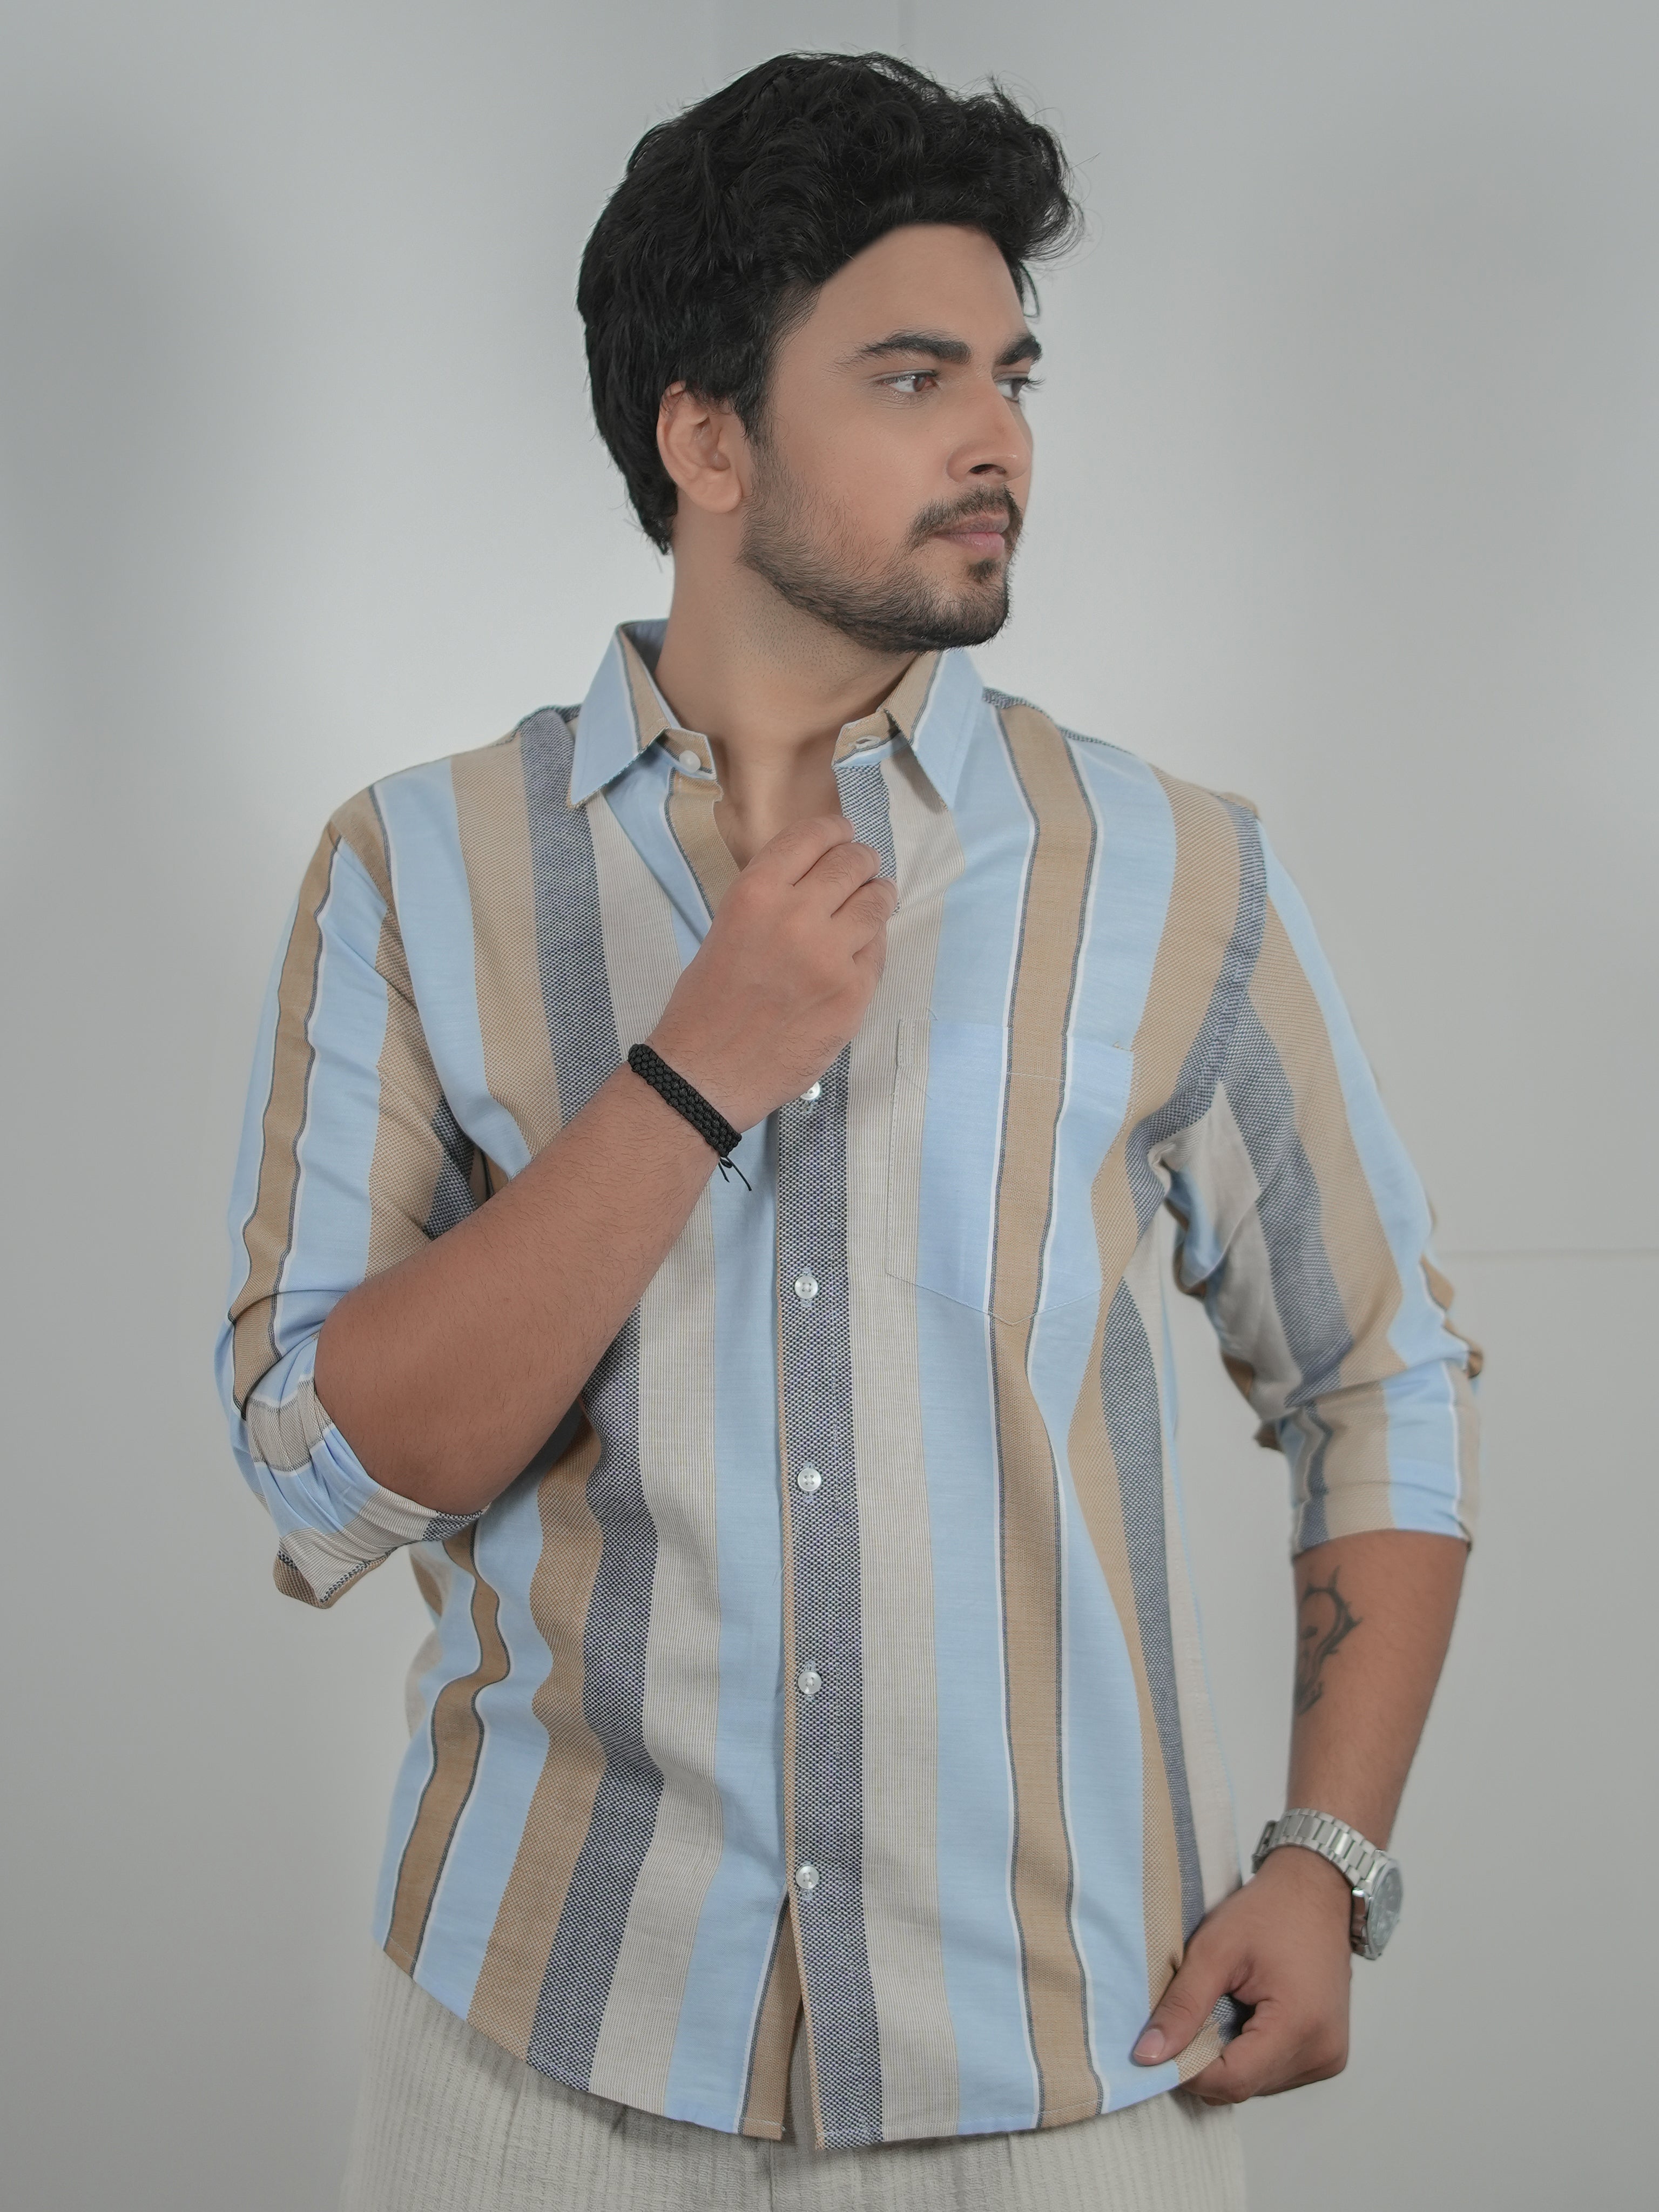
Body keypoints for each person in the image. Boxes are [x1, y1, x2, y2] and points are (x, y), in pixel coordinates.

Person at [216, 51, 1479, 2212]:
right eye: (912, 376)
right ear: (703, 437)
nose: (999, 440)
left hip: (1067, 2081)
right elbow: (316, 1468)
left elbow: (1379, 1368)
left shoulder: (1168, 868)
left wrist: (1328, 1849)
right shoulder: (416, 874)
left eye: (1011, 373)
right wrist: (692, 1072)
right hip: (536, 2076)